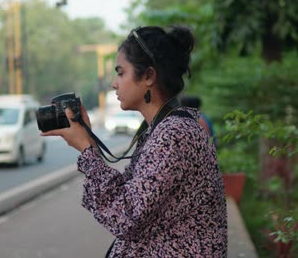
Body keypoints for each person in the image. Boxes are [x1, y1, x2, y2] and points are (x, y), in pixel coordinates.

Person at [41, 26, 227, 257]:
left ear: (148, 76)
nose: (114, 84)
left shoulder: (174, 135)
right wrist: (89, 140)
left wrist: (86, 149)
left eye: (121, 73)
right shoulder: (164, 128)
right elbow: (129, 195)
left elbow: (125, 216)